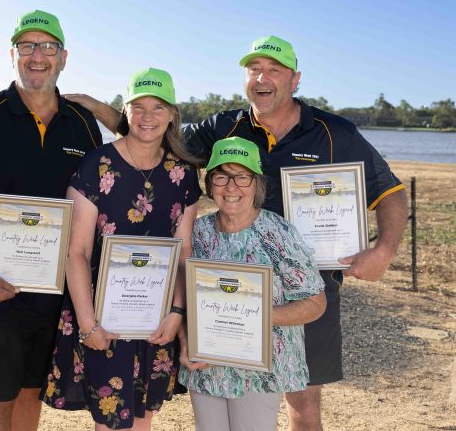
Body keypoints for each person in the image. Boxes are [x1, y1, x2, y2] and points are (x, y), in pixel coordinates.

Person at [67, 35, 409, 430]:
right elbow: (151, 132)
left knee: (304, 405)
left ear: (294, 79)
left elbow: (389, 190)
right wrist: (96, 108)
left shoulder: (335, 132)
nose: (263, 78)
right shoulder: (224, 126)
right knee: (225, 393)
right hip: (229, 285)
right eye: (254, 70)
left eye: (274, 70)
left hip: (305, 281)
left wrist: (383, 250)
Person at [0, 10, 102, 431]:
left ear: (63, 57)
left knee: (31, 393)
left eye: (47, 47)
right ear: (12, 54)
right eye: (27, 46)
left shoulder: (83, 125)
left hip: (55, 292)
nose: (37, 56)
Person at [40, 68, 201, 430]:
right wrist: (87, 324)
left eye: (158, 107)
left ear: (173, 114)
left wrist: (177, 311)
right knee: (111, 422)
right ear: (124, 111)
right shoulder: (97, 165)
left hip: (157, 317)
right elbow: (76, 251)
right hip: (102, 315)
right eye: (138, 106)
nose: (148, 116)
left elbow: (184, 248)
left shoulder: (184, 174)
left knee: (143, 420)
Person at [178, 136, 326, 430]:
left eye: (242, 177)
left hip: (260, 369)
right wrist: (185, 341)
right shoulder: (198, 232)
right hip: (208, 365)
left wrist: (253, 318)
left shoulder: (279, 234)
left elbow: (315, 303)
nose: (231, 187)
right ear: (210, 184)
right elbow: (184, 293)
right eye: (221, 176)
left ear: (257, 184)